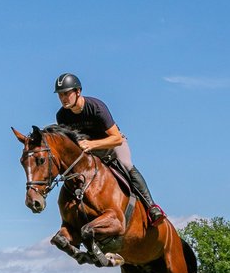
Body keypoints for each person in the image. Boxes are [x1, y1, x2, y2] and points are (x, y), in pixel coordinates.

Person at [54, 72, 165, 225]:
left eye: (66, 94)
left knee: (126, 164)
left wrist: (91, 144)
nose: (63, 98)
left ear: (78, 92)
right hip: (89, 152)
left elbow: (116, 138)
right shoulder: (62, 116)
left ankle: (152, 207)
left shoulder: (96, 107)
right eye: (60, 95)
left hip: (111, 145)